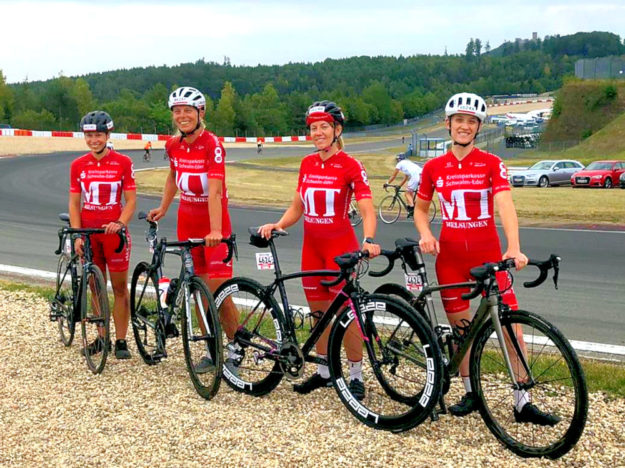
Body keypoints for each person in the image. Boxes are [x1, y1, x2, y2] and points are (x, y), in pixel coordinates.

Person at [414, 92, 560, 426]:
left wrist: (514, 246)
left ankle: (522, 401)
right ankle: (470, 392)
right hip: (450, 258)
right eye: (458, 120)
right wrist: (425, 233)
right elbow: (420, 210)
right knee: (462, 331)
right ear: (449, 124)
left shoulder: (492, 163)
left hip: (489, 256)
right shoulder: (434, 167)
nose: (464, 126)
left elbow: (505, 203)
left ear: (478, 127)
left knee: (513, 330)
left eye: (470, 121)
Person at [258, 100, 381, 400]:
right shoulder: (307, 164)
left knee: (346, 314)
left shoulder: (351, 165)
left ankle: (355, 374)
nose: (318, 133)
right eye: (314, 128)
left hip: (340, 248)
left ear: (337, 129)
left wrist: (368, 239)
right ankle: (326, 371)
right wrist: (278, 223)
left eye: (324, 127)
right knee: (318, 313)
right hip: (312, 248)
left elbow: (366, 207)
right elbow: (298, 205)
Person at [147, 86, 238, 372]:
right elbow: (174, 176)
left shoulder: (213, 144)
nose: (182, 116)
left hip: (214, 223)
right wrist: (163, 207)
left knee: (219, 291)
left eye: (188, 111)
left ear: (201, 113)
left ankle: (235, 349)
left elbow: (215, 191)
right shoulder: (173, 145)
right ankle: (213, 352)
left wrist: (215, 230)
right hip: (187, 220)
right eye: (177, 111)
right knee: (198, 291)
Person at [69, 111, 136, 359]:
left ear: (108, 135)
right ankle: (101, 337)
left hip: (113, 235)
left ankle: (120, 340)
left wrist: (120, 222)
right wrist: (77, 235)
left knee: (119, 288)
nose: (93, 140)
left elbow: (130, 201)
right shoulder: (78, 165)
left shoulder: (123, 162)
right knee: (95, 287)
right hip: (89, 233)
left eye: (98, 135)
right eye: (89, 135)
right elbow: (75, 203)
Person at [385, 153, 422, 218]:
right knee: (410, 193)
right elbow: (405, 178)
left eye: (397, 160)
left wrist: (387, 183)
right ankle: (413, 209)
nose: (397, 161)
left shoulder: (400, 164)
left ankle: (412, 208)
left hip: (416, 177)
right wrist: (399, 186)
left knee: (407, 193)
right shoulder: (407, 163)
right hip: (422, 175)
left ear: (399, 159)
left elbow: (394, 176)